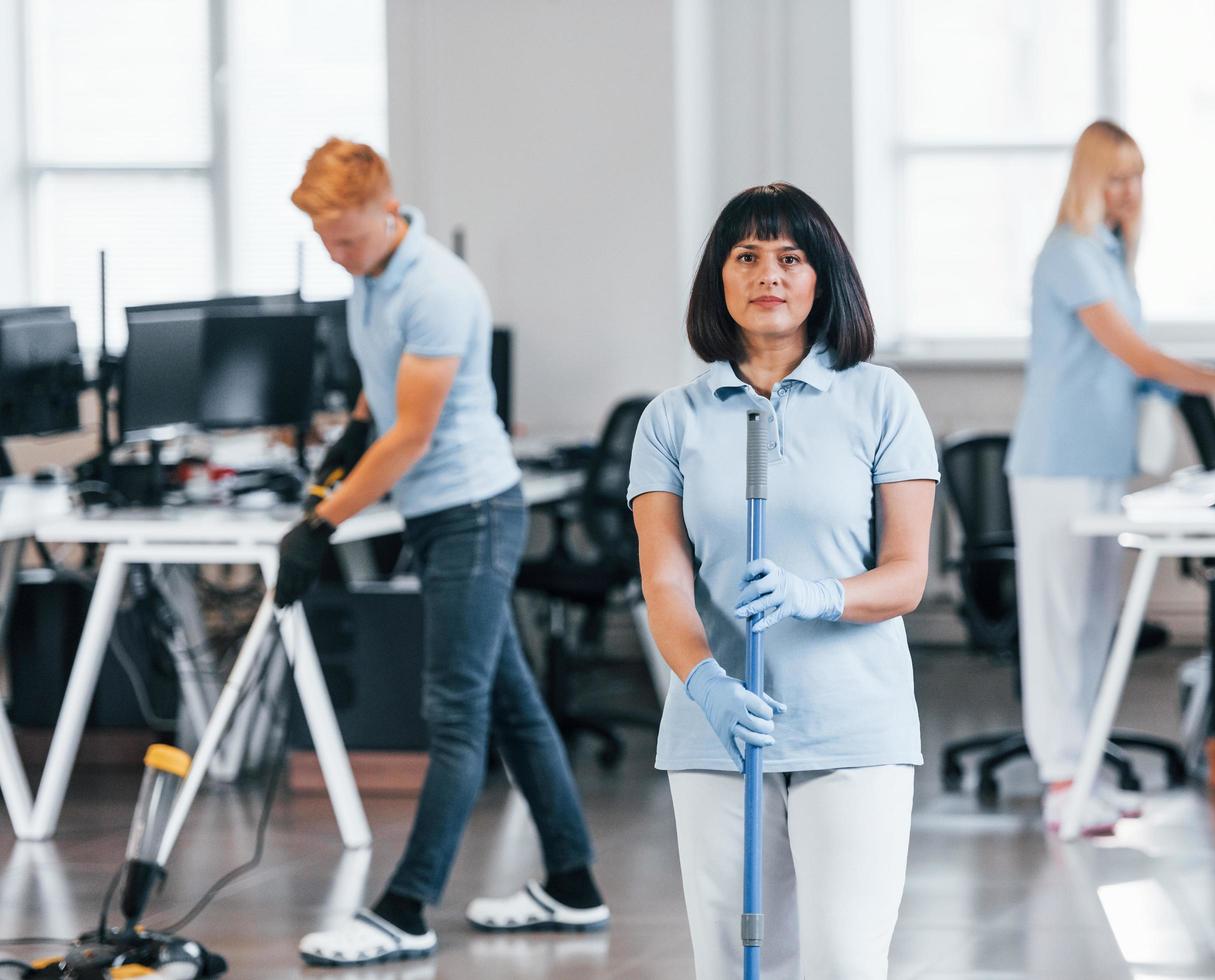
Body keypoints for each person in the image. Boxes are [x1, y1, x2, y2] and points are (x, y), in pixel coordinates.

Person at [277, 138, 608, 967]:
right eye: (325, 241)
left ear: (388, 210)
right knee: (515, 708)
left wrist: (322, 523)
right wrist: (350, 433)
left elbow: (415, 434)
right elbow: (380, 385)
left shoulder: (438, 287)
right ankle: (573, 884)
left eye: (346, 239)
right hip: (437, 514)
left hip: (471, 511)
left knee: (455, 712)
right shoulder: (371, 275)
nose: (337, 255)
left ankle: (406, 907)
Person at [629, 182, 938, 979]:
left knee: (842, 963)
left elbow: (906, 576)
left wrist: (821, 595)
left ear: (821, 277)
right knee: (734, 963)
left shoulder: (881, 400)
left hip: (853, 727)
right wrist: (707, 686)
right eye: (748, 256)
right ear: (719, 279)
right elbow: (665, 587)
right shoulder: (672, 420)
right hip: (718, 731)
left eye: (790, 257)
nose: (769, 272)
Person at [1005, 120, 1215, 836]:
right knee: (1059, 627)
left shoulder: (1109, 253)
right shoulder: (1070, 253)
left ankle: (1085, 767)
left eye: (1136, 176)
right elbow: (1134, 353)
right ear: (1086, 180)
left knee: (1093, 629)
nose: (1129, 191)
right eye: (1115, 177)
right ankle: (1059, 781)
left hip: (1103, 462)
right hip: (1055, 464)